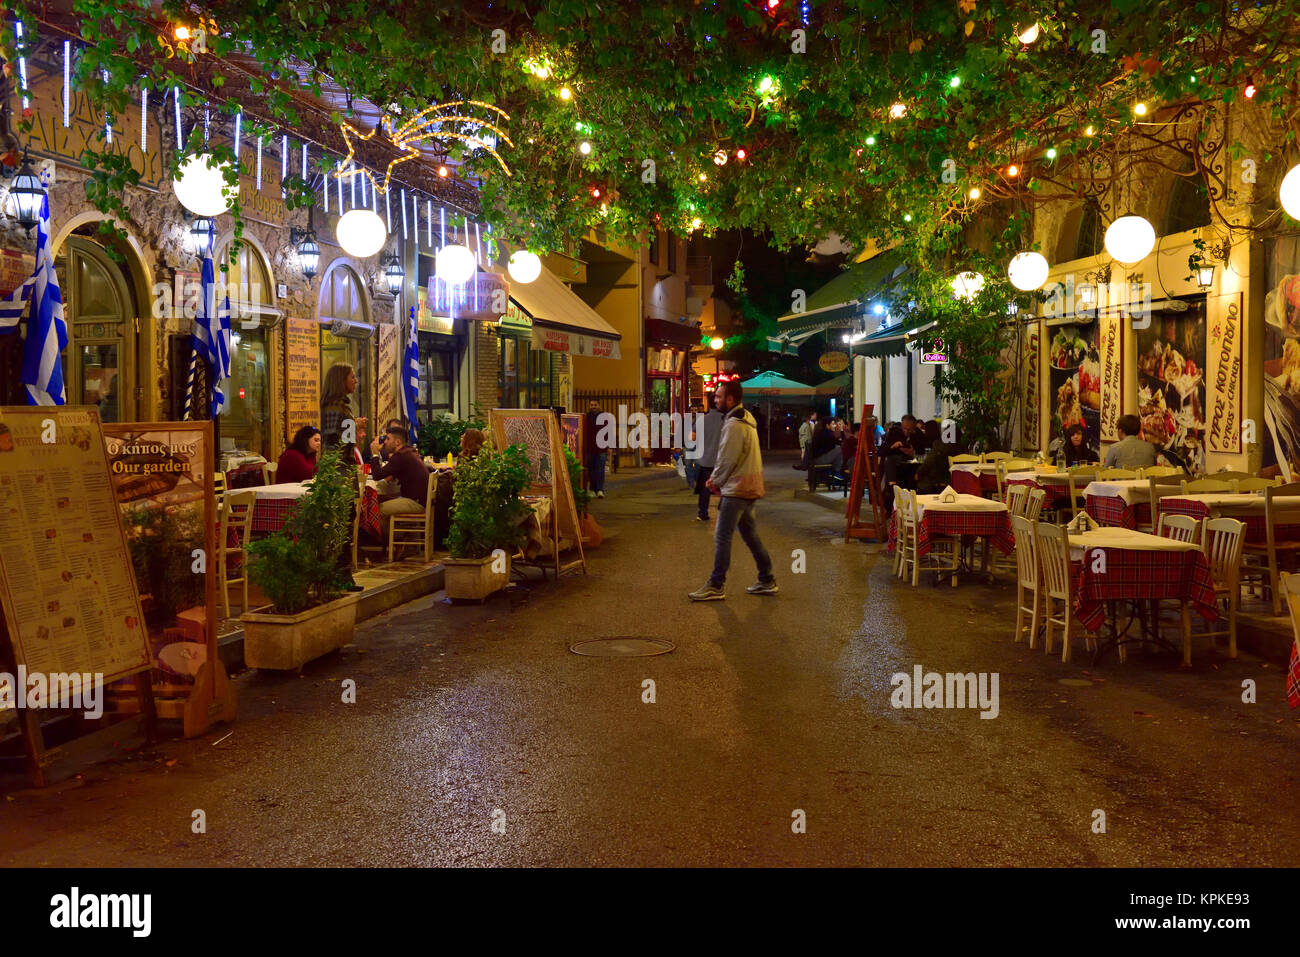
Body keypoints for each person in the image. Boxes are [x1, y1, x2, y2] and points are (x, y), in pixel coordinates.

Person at [688, 380, 776, 600]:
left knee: (722, 537)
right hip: (747, 485)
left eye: (718, 396)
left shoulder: (735, 424)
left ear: (730, 399)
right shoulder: (744, 420)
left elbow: (727, 459)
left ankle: (716, 585)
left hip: (736, 488)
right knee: (750, 534)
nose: (714, 399)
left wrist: (714, 480)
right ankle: (766, 578)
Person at [370, 424, 429, 538]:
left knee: (376, 510)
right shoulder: (409, 452)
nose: (385, 442)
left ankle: (400, 539)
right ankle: (404, 540)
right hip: (419, 499)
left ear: (397, 442)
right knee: (379, 499)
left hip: (415, 502)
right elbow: (390, 476)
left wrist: (375, 454)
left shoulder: (401, 456)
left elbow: (377, 475)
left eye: (388, 438)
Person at [880, 414, 930, 509]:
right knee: (891, 461)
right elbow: (882, 451)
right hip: (896, 466)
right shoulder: (894, 432)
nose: (906, 431)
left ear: (914, 427)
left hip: (912, 466)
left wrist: (913, 452)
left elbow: (922, 451)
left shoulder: (918, 434)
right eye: (904, 428)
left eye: (909, 429)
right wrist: (893, 446)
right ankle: (892, 486)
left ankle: (910, 505)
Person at [320, 363, 366, 461]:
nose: (356, 381)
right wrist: (354, 425)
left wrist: (352, 423)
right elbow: (333, 440)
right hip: (336, 466)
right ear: (341, 380)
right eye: (352, 377)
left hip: (343, 464)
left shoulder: (341, 406)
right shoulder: (333, 406)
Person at [693, 401, 724, 521]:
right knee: (724, 487)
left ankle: (703, 512)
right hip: (721, 460)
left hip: (705, 459)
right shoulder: (726, 420)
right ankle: (724, 512)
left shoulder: (701, 420)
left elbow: (693, 437)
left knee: (705, 488)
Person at [804, 415, 843, 491]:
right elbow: (838, 443)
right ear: (827, 425)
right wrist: (841, 431)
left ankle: (834, 474)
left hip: (817, 458)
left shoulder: (823, 432)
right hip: (818, 459)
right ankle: (836, 472)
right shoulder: (826, 433)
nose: (835, 426)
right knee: (839, 449)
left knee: (838, 450)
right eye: (833, 424)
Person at [582, 400, 607, 498]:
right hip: (590, 448)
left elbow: (609, 432)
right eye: (591, 405)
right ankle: (592, 489)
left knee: (600, 469)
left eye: (595, 405)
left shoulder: (604, 417)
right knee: (591, 469)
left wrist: (609, 446)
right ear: (589, 406)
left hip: (601, 448)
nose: (593, 407)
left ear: (599, 406)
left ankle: (600, 489)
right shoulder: (586, 417)